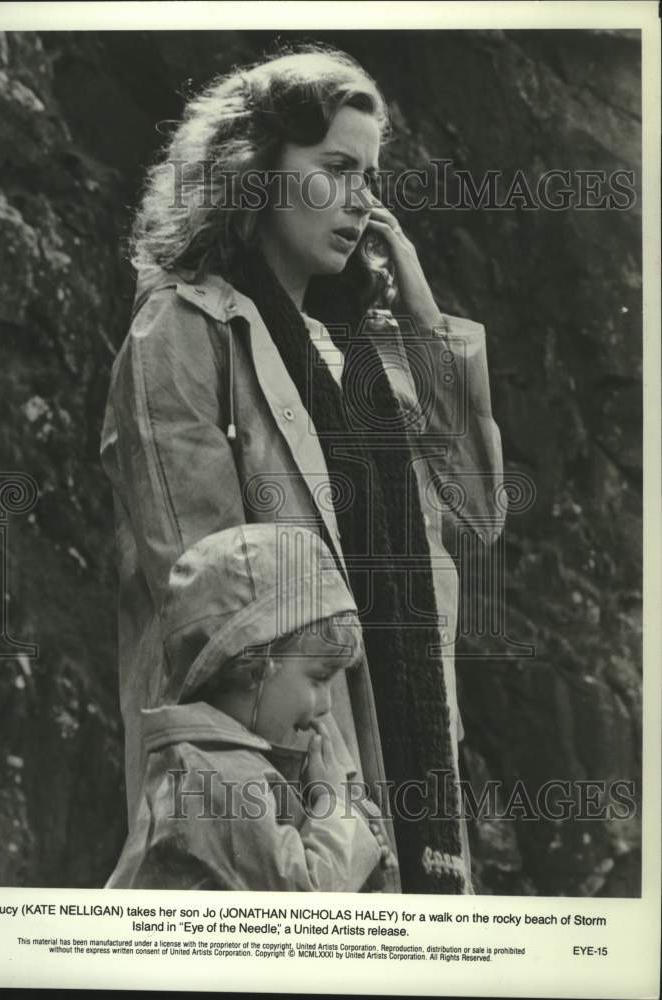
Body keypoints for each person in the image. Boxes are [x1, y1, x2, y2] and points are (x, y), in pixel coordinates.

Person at [101, 45, 506, 893]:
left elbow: (476, 509)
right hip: (278, 772)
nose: (361, 199)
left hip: (405, 750)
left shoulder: (373, 351)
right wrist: (330, 792)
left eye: (369, 175)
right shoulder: (181, 329)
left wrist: (425, 318)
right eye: (334, 168)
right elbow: (207, 609)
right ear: (255, 171)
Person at [106, 523, 396, 892]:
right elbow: (304, 904)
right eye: (319, 679)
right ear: (255, 668)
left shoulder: (224, 765)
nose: (326, 705)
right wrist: (335, 806)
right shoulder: (215, 778)